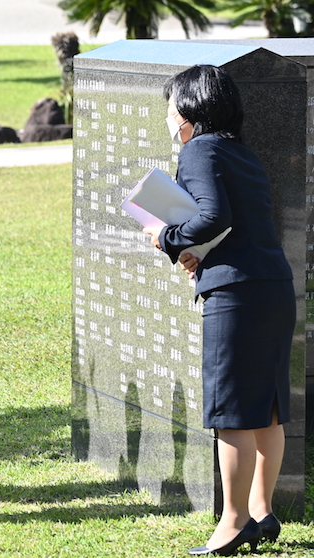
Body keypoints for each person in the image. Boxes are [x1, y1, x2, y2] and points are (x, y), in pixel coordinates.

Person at [144, 65, 294, 556]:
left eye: (171, 107)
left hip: (237, 296)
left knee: (231, 411)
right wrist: (197, 253)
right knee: (266, 409)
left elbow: (213, 216)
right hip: (272, 286)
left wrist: (165, 236)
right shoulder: (241, 152)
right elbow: (240, 225)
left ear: (188, 110)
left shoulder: (199, 148)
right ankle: (261, 511)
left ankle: (232, 524)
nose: (170, 117)